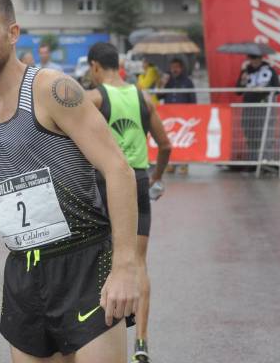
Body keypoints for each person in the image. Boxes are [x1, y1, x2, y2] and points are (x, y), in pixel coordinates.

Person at [0, 0, 139, 363]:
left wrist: (125, 267)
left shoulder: (52, 89)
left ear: (13, 32)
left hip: (85, 263)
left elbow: (118, 170)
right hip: (24, 273)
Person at [85, 42, 172, 363]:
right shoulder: (142, 97)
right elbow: (165, 145)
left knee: (100, 260)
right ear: (118, 64)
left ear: (95, 67)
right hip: (137, 181)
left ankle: (102, 335)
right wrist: (156, 178)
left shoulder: (94, 98)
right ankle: (141, 342)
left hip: (104, 183)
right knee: (137, 262)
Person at [236, 54, 280, 160]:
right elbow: (238, 91)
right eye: (251, 58)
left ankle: (266, 161)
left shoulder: (270, 71)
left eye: (255, 58)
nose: (253, 60)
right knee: (250, 135)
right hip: (248, 107)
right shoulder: (245, 72)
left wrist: (263, 89)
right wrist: (243, 81)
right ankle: (253, 162)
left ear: (261, 58)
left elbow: (277, 89)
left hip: (264, 107)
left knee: (265, 135)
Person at [157, 58, 195, 174]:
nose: (174, 69)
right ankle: (171, 163)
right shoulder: (168, 81)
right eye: (172, 67)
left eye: (176, 67)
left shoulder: (188, 82)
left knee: (183, 141)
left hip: (183, 118)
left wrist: (192, 115)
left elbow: (193, 100)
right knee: (170, 141)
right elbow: (159, 96)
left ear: (181, 68)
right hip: (170, 117)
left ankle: (184, 165)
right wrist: (162, 84)